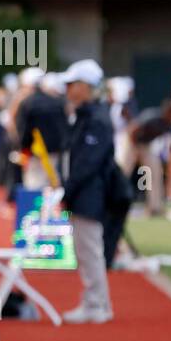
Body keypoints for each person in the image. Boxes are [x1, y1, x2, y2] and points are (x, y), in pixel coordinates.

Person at [60, 60, 116, 323]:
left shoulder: (96, 119)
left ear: (85, 87)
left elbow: (88, 163)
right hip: (85, 191)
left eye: (72, 84)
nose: (68, 88)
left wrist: (68, 189)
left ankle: (96, 304)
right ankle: (98, 302)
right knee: (87, 250)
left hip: (90, 192)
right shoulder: (87, 116)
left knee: (89, 249)